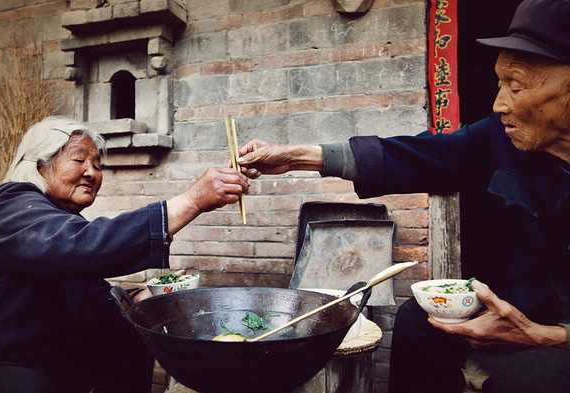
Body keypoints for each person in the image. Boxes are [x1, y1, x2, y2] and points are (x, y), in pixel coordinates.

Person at [235, 0, 570, 391]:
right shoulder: (499, 136)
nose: (499, 104)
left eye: (516, 86)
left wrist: (545, 336)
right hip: (527, 311)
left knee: (525, 382)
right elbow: (419, 155)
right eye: (500, 83)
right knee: (417, 321)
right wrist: (295, 157)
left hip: (557, 337)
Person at [0, 116, 249, 393]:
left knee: (128, 330)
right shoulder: (8, 204)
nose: (92, 173)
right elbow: (79, 247)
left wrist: (141, 299)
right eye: (79, 160)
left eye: (97, 165)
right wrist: (192, 201)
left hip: (44, 359)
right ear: (40, 165)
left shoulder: (60, 222)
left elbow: (91, 295)